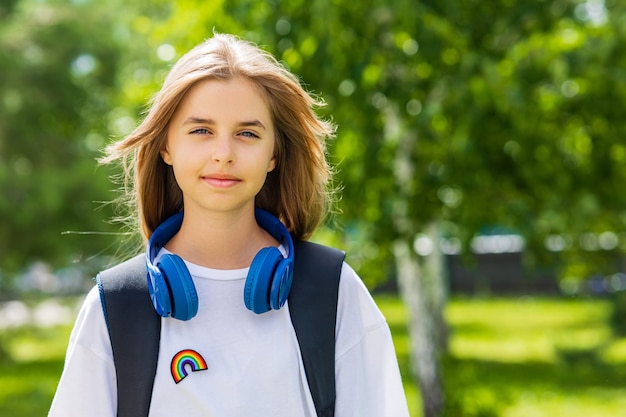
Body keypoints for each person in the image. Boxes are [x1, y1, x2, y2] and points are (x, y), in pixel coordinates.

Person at [48, 32, 410, 417]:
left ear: (274, 154)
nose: (223, 154)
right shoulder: (116, 306)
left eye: (247, 134)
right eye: (201, 130)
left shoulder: (334, 292)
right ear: (166, 146)